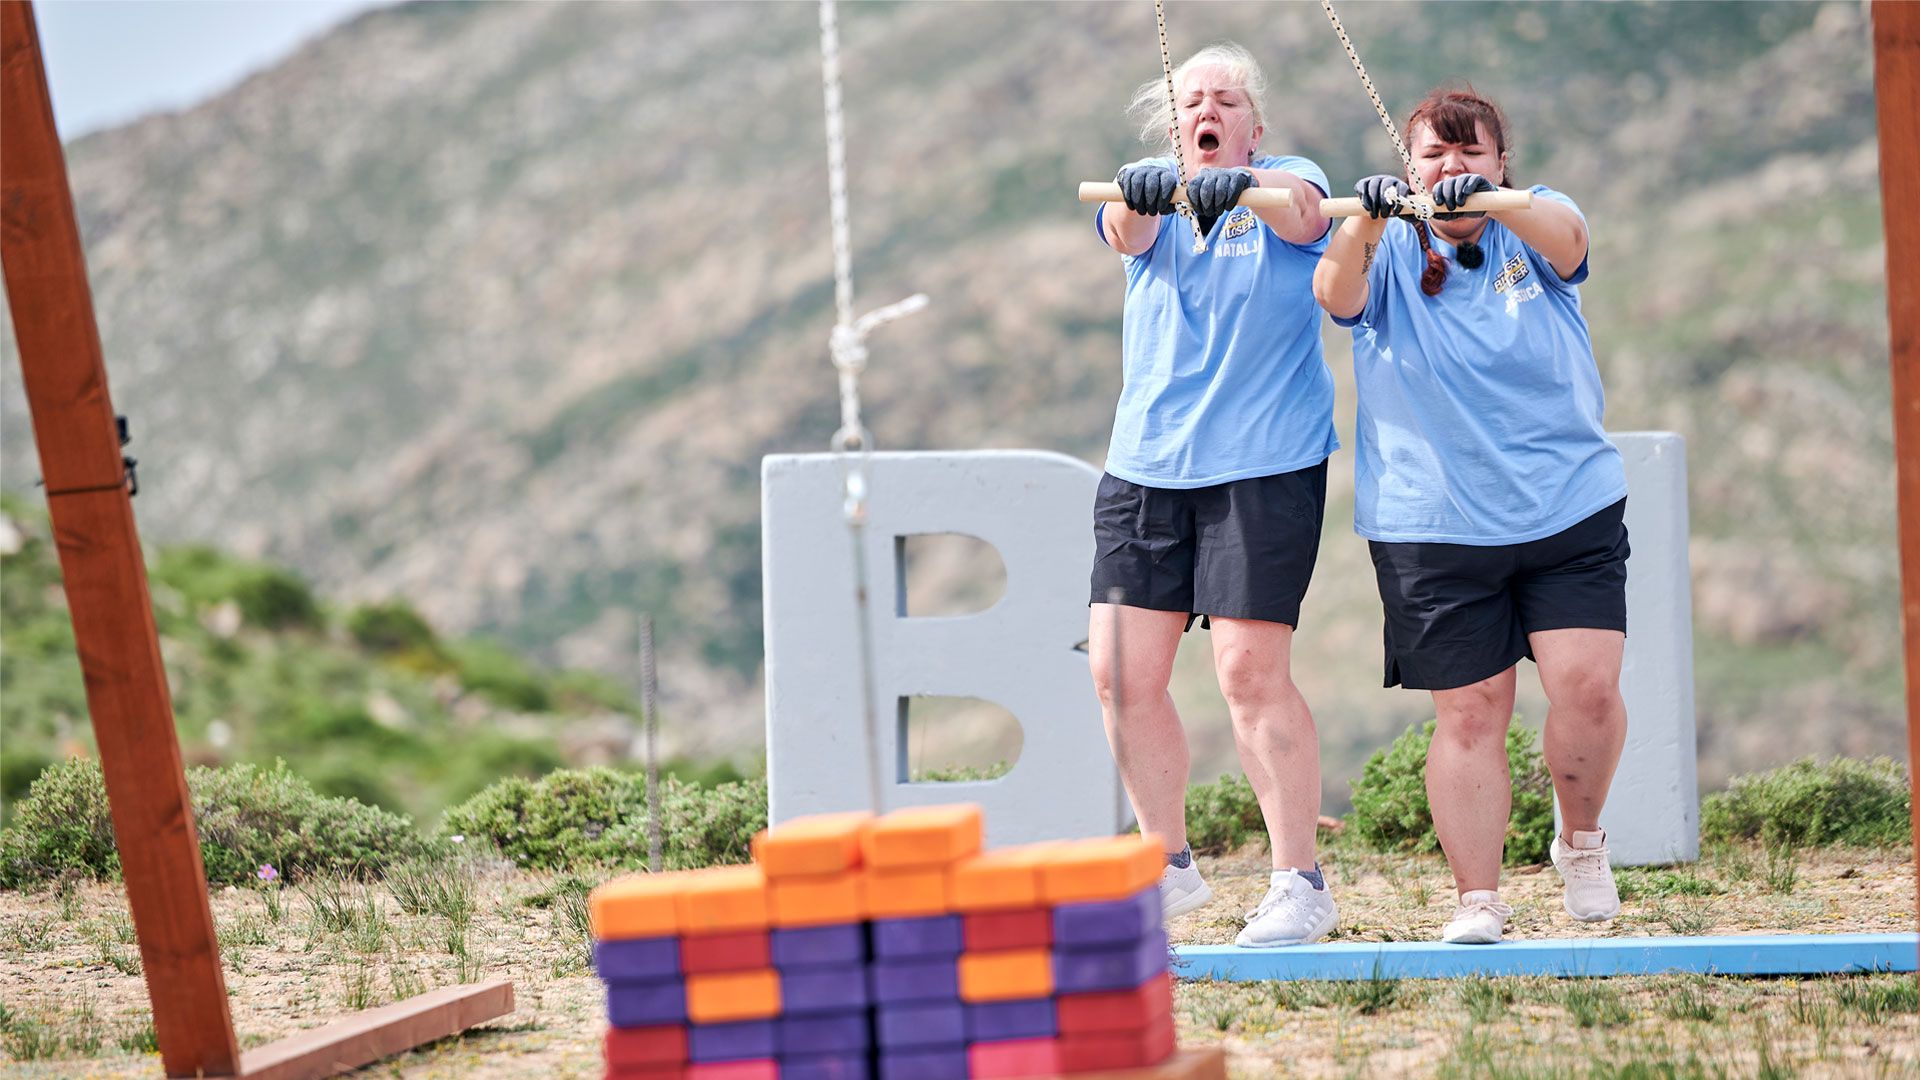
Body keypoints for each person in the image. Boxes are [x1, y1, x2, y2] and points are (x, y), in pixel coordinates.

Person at [1311, 86, 1626, 944]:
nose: (1453, 168)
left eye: (1471, 153)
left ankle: (1583, 843)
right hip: (1431, 521)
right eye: (1435, 156)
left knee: (1588, 690)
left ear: (1500, 161)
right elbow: (1334, 298)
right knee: (1473, 712)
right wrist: (1364, 222)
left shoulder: (1539, 218)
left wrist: (1493, 204)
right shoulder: (1382, 248)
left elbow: (1569, 240)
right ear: (1407, 166)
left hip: (1567, 503)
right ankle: (1477, 898)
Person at [1089, 42, 1338, 947]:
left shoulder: (1287, 175)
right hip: (1146, 462)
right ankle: (1166, 865)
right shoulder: (1147, 184)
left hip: (1263, 462)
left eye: (1227, 100)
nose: (1210, 111)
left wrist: (1244, 195)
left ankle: (1298, 881)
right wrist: (1144, 196)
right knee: (1119, 673)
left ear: (1253, 125)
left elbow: (1307, 223)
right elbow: (1125, 231)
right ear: (1174, 123)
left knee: (1246, 671)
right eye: (1194, 101)